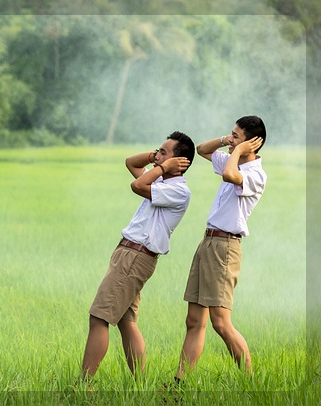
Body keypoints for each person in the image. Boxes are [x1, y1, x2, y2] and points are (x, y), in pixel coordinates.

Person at [81, 131, 195, 379]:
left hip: (135, 256)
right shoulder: (162, 182)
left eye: (164, 152)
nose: (157, 156)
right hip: (130, 254)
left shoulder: (178, 191)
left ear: (179, 162)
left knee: (99, 318)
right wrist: (157, 158)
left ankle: (83, 386)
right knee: (126, 321)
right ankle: (139, 384)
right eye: (158, 151)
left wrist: (162, 166)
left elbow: (137, 185)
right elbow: (130, 163)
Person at [174, 115, 266, 382]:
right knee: (194, 320)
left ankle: (251, 382)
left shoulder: (255, 174)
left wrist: (237, 150)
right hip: (208, 242)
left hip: (226, 247)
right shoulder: (232, 159)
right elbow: (202, 149)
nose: (230, 139)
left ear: (251, 144)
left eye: (236, 135)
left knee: (221, 323)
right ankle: (180, 383)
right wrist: (229, 141)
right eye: (231, 134)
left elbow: (229, 175)